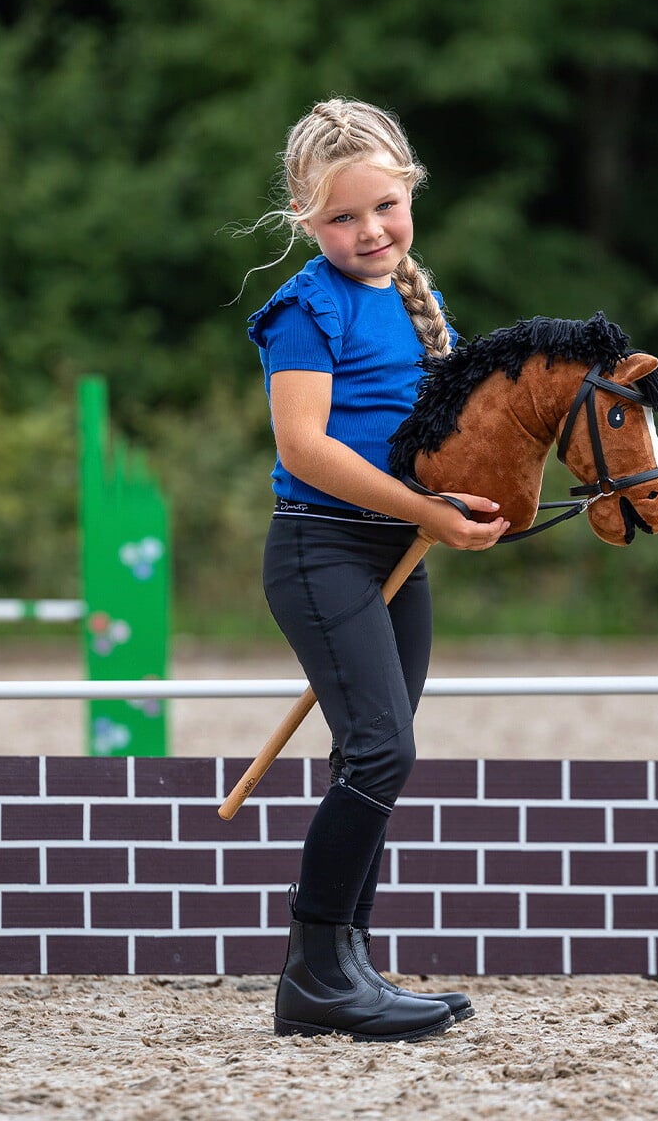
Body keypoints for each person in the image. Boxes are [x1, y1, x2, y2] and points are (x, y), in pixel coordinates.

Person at [245, 98, 509, 1042]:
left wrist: (466, 497)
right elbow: (305, 448)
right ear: (304, 220)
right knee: (382, 751)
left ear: (412, 195)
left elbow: (443, 439)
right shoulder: (304, 309)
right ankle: (315, 972)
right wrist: (428, 512)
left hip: (398, 556)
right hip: (320, 551)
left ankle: (347, 963)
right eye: (343, 216)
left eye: (386, 207)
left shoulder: (415, 304)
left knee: (373, 758)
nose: (370, 231)